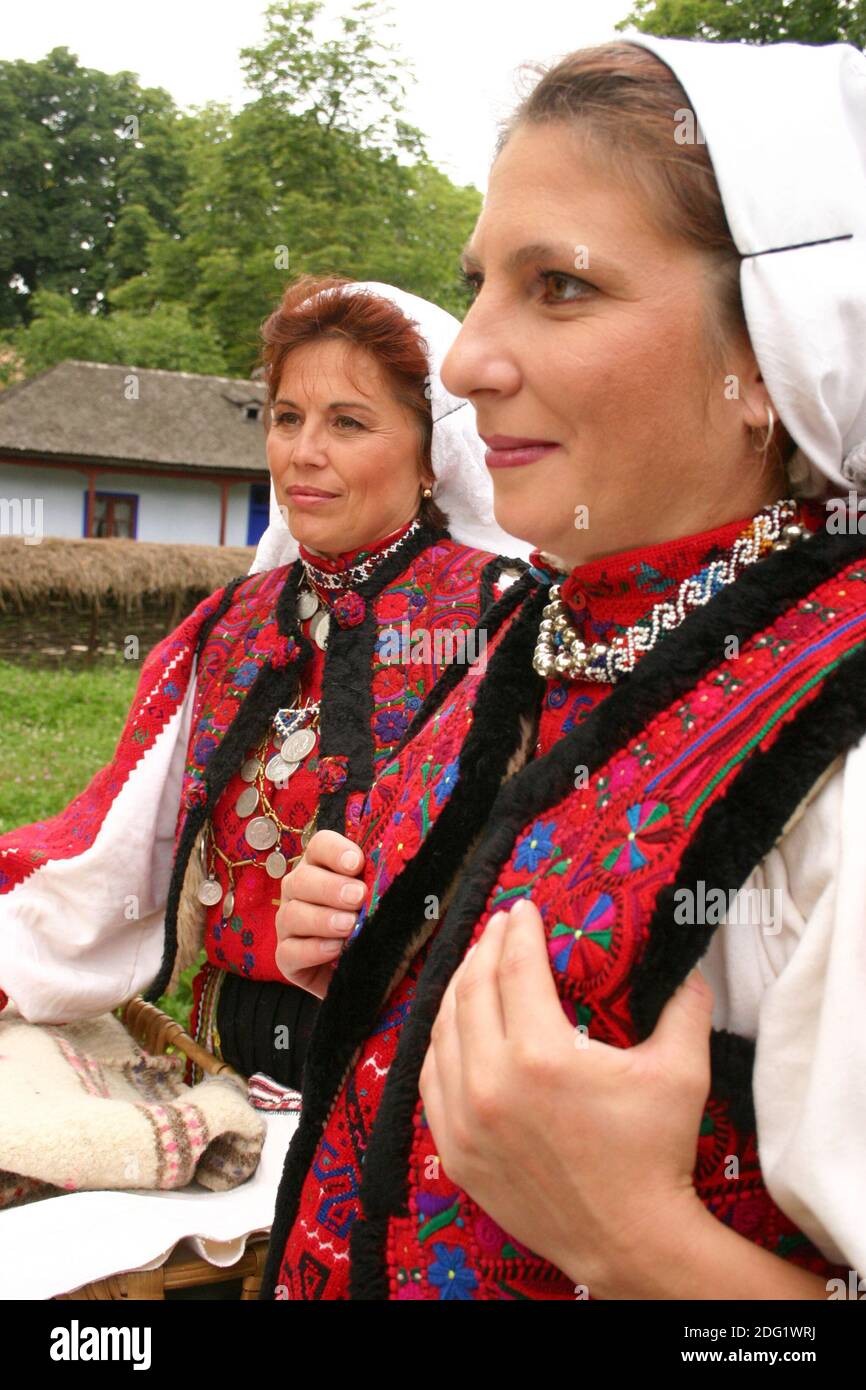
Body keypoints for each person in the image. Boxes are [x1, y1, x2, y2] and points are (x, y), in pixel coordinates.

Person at [262, 37, 866, 1299]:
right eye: (479, 282)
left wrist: (632, 1241)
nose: (467, 360)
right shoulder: (542, 630)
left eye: (563, 288)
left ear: (767, 347)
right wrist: (381, 953)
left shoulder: (838, 734)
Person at [0, 278, 529, 1101]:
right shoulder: (227, 625)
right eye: (287, 418)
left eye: (347, 423)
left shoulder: (505, 621)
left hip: (411, 1065)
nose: (303, 452)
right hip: (223, 1043)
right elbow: (113, 836)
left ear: (433, 457)